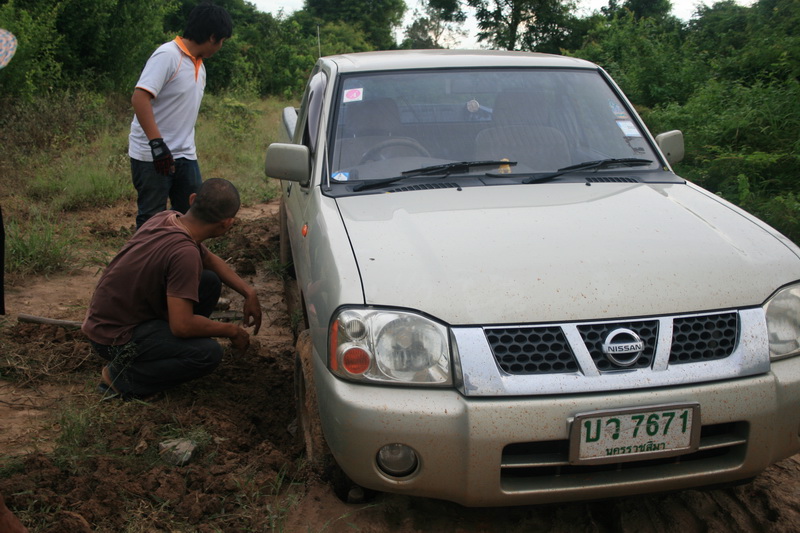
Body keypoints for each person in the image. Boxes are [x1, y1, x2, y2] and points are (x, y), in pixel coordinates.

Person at [82, 178, 262, 400]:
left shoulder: (167, 218)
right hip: (113, 338)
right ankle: (121, 377)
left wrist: (249, 292)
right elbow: (182, 326)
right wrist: (233, 331)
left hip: (108, 319)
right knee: (207, 354)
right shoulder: (184, 254)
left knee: (209, 281)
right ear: (227, 223)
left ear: (192, 199)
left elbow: (211, 261)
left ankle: (167, 350)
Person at [129, 2, 232, 229]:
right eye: (222, 41)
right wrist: (157, 145)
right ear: (212, 37)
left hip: (185, 154)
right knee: (152, 219)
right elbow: (140, 97)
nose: (220, 47)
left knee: (191, 215)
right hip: (153, 155)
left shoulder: (200, 65)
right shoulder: (168, 55)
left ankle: (181, 261)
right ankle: (145, 263)